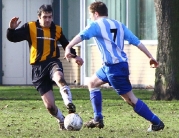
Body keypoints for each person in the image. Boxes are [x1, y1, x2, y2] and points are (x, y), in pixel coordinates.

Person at [64, 1, 164, 132]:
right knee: (92, 83)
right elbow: (136, 41)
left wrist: (69, 46)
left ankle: (156, 122)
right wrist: (150, 57)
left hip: (115, 68)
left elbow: (81, 35)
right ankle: (97, 118)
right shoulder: (119, 25)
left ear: (95, 13)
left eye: (90, 15)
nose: (90, 18)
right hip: (111, 67)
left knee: (130, 99)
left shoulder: (96, 24)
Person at [6, 4, 83, 130]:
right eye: (45, 17)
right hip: (37, 68)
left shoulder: (57, 29)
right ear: (39, 17)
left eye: (50, 17)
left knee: (59, 77)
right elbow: (12, 38)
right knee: (50, 107)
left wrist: (75, 57)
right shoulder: (30, 27)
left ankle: (68, 103)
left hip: (52, 62)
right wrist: (11, 29)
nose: (47, 20)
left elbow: (66, 45)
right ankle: (62, 120)